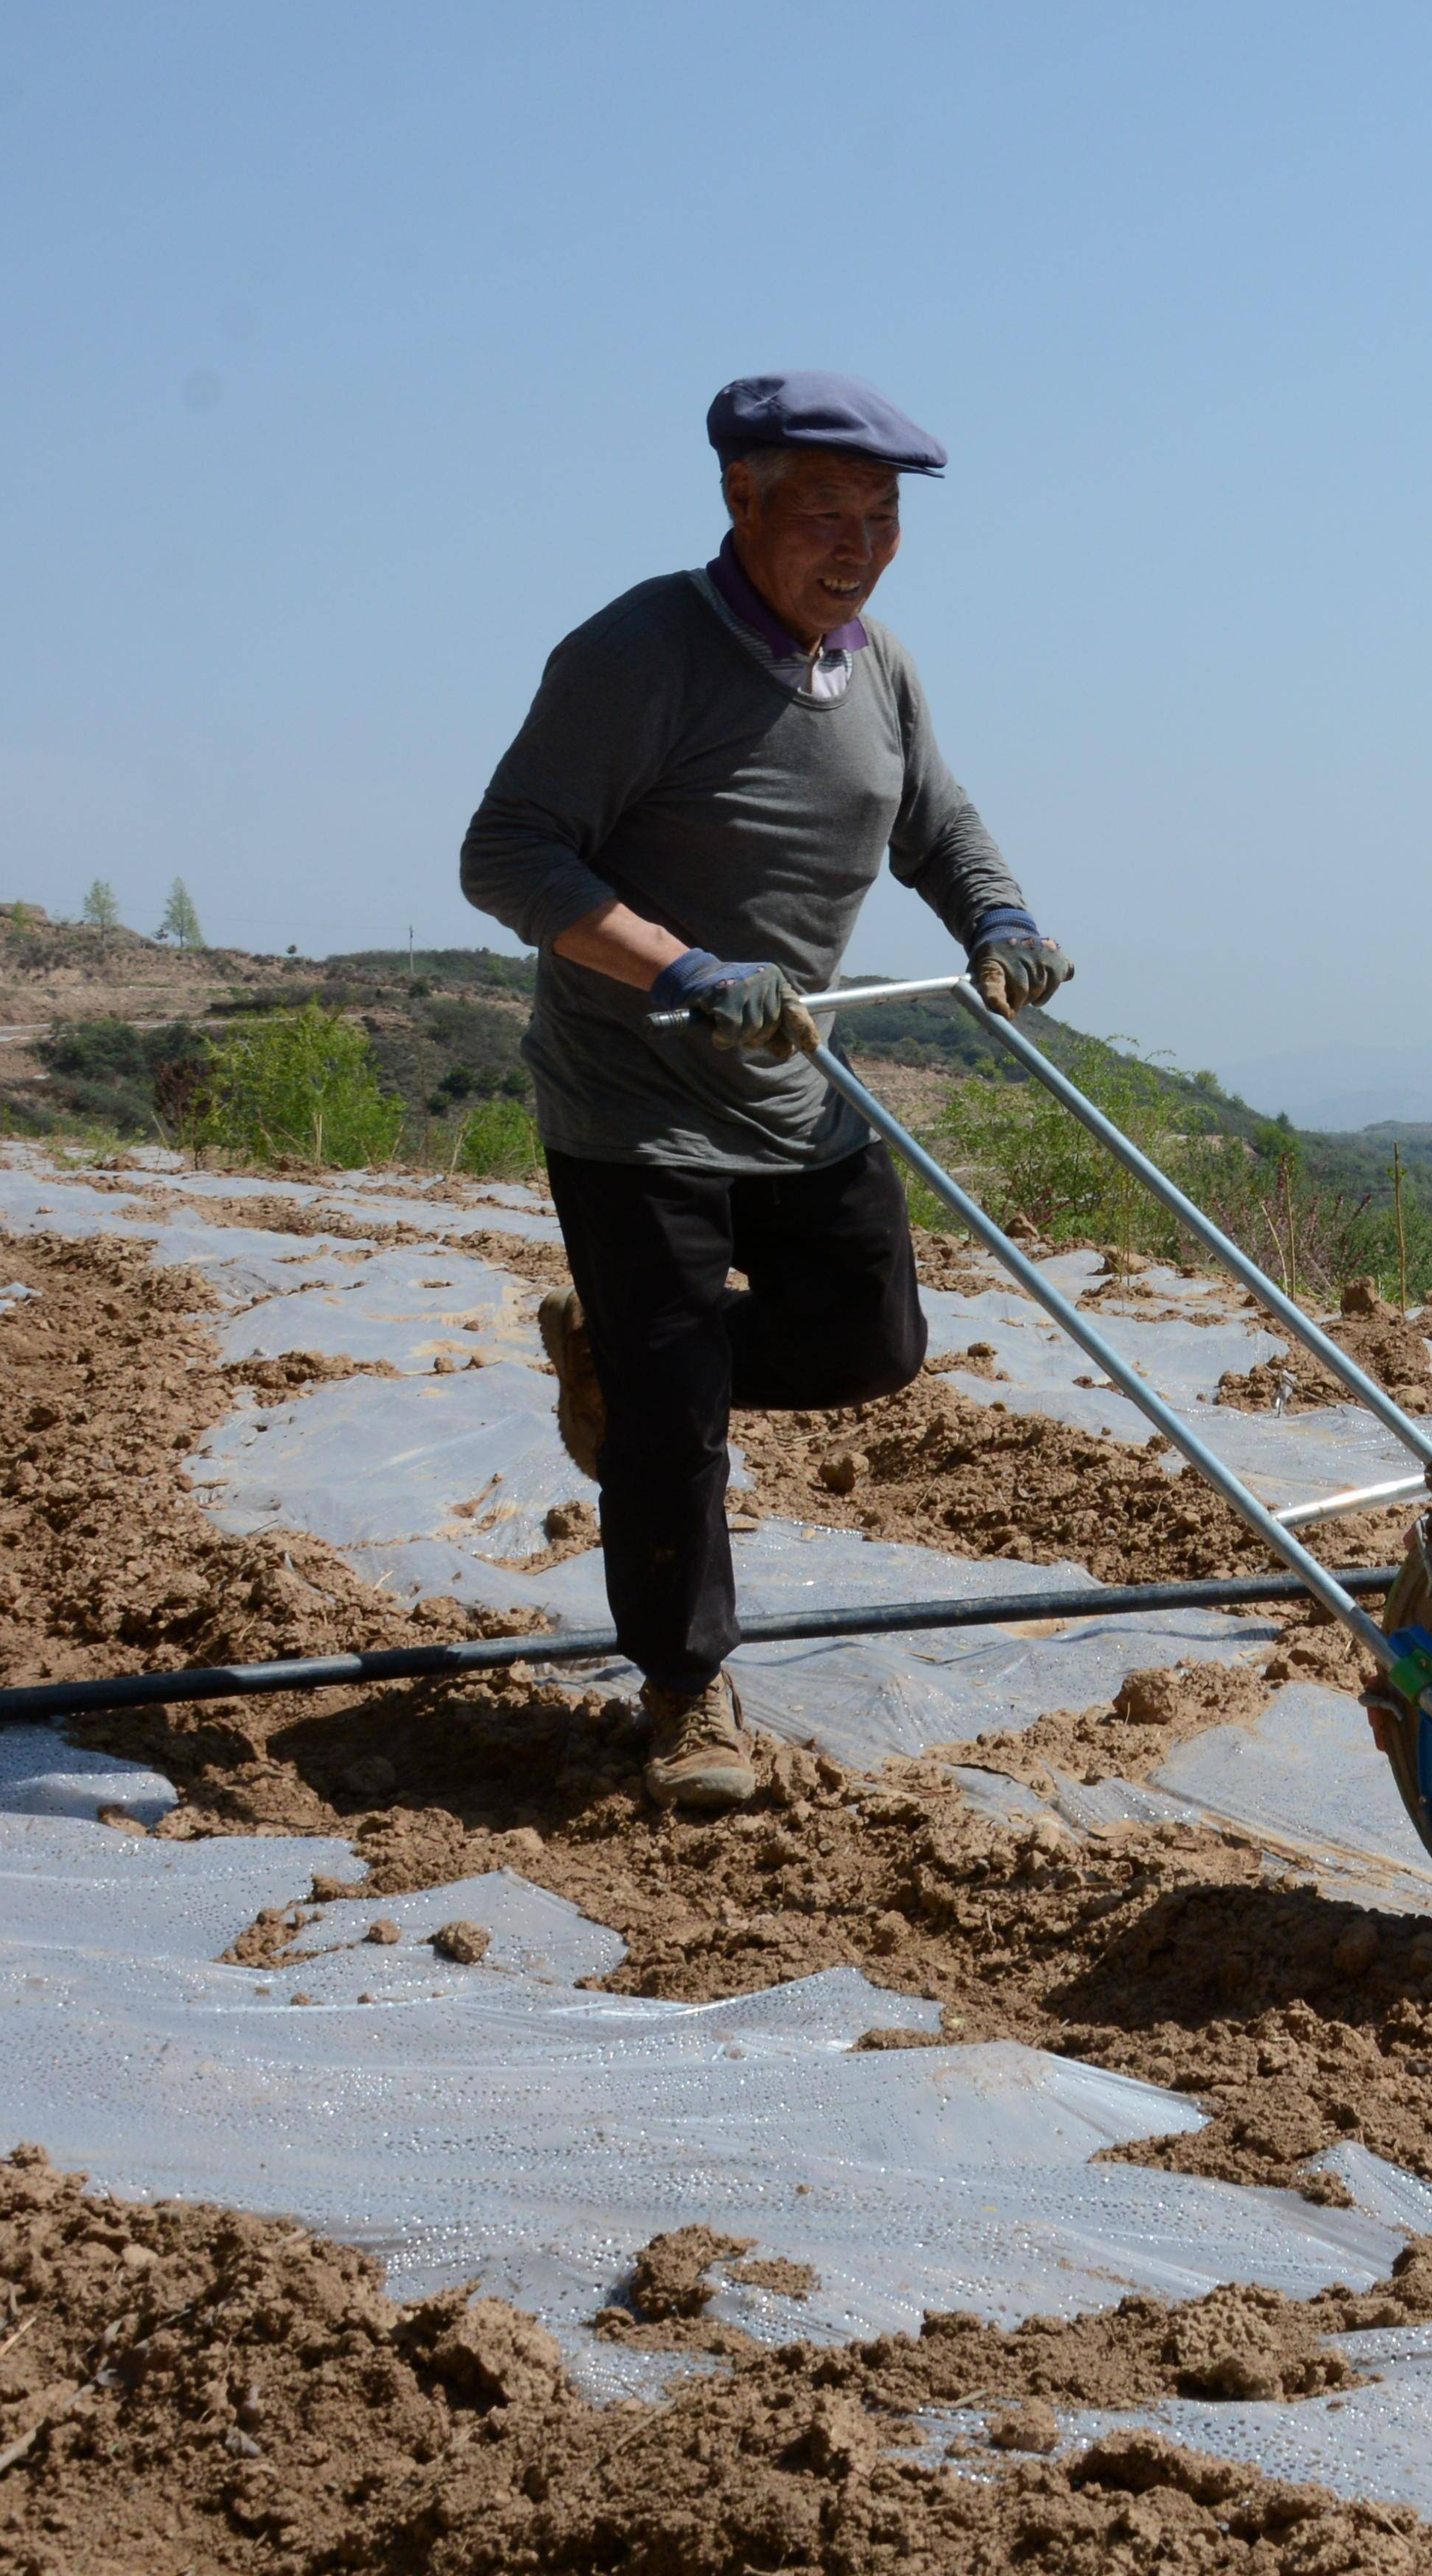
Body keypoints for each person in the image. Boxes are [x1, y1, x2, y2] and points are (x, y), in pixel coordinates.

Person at [459, 371, 1072, 1805]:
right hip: (639, 1093)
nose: (856, 544)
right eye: (824, 515)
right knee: (679, 1423)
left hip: (796, 1083)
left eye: (882, 516)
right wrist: (676, 966)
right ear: (740, 502)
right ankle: (686, 1698)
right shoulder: (642, 652)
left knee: (871, 1338)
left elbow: (935, 820)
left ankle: (620, 1359)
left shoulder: (879, 668)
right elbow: (511, 854)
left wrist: (999, 919)